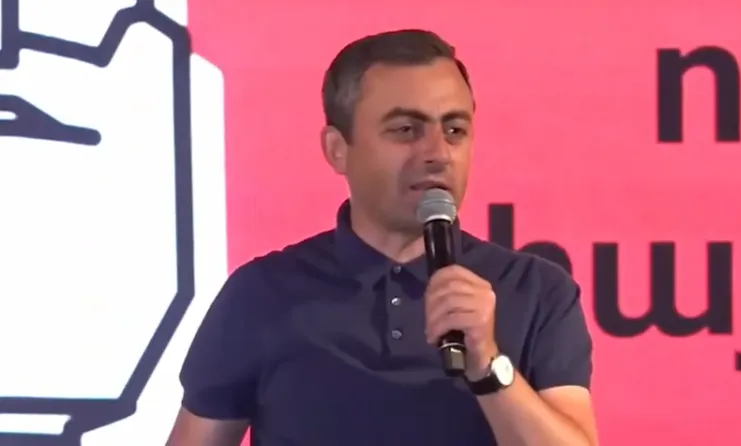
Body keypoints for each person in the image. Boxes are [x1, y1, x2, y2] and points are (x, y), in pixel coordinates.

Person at [166, 29, 599, 446]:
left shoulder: (536, 291)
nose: (438, 153)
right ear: (337, 149)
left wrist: (488, 366)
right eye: (406, 130)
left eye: (454, 130)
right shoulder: (262, 294)